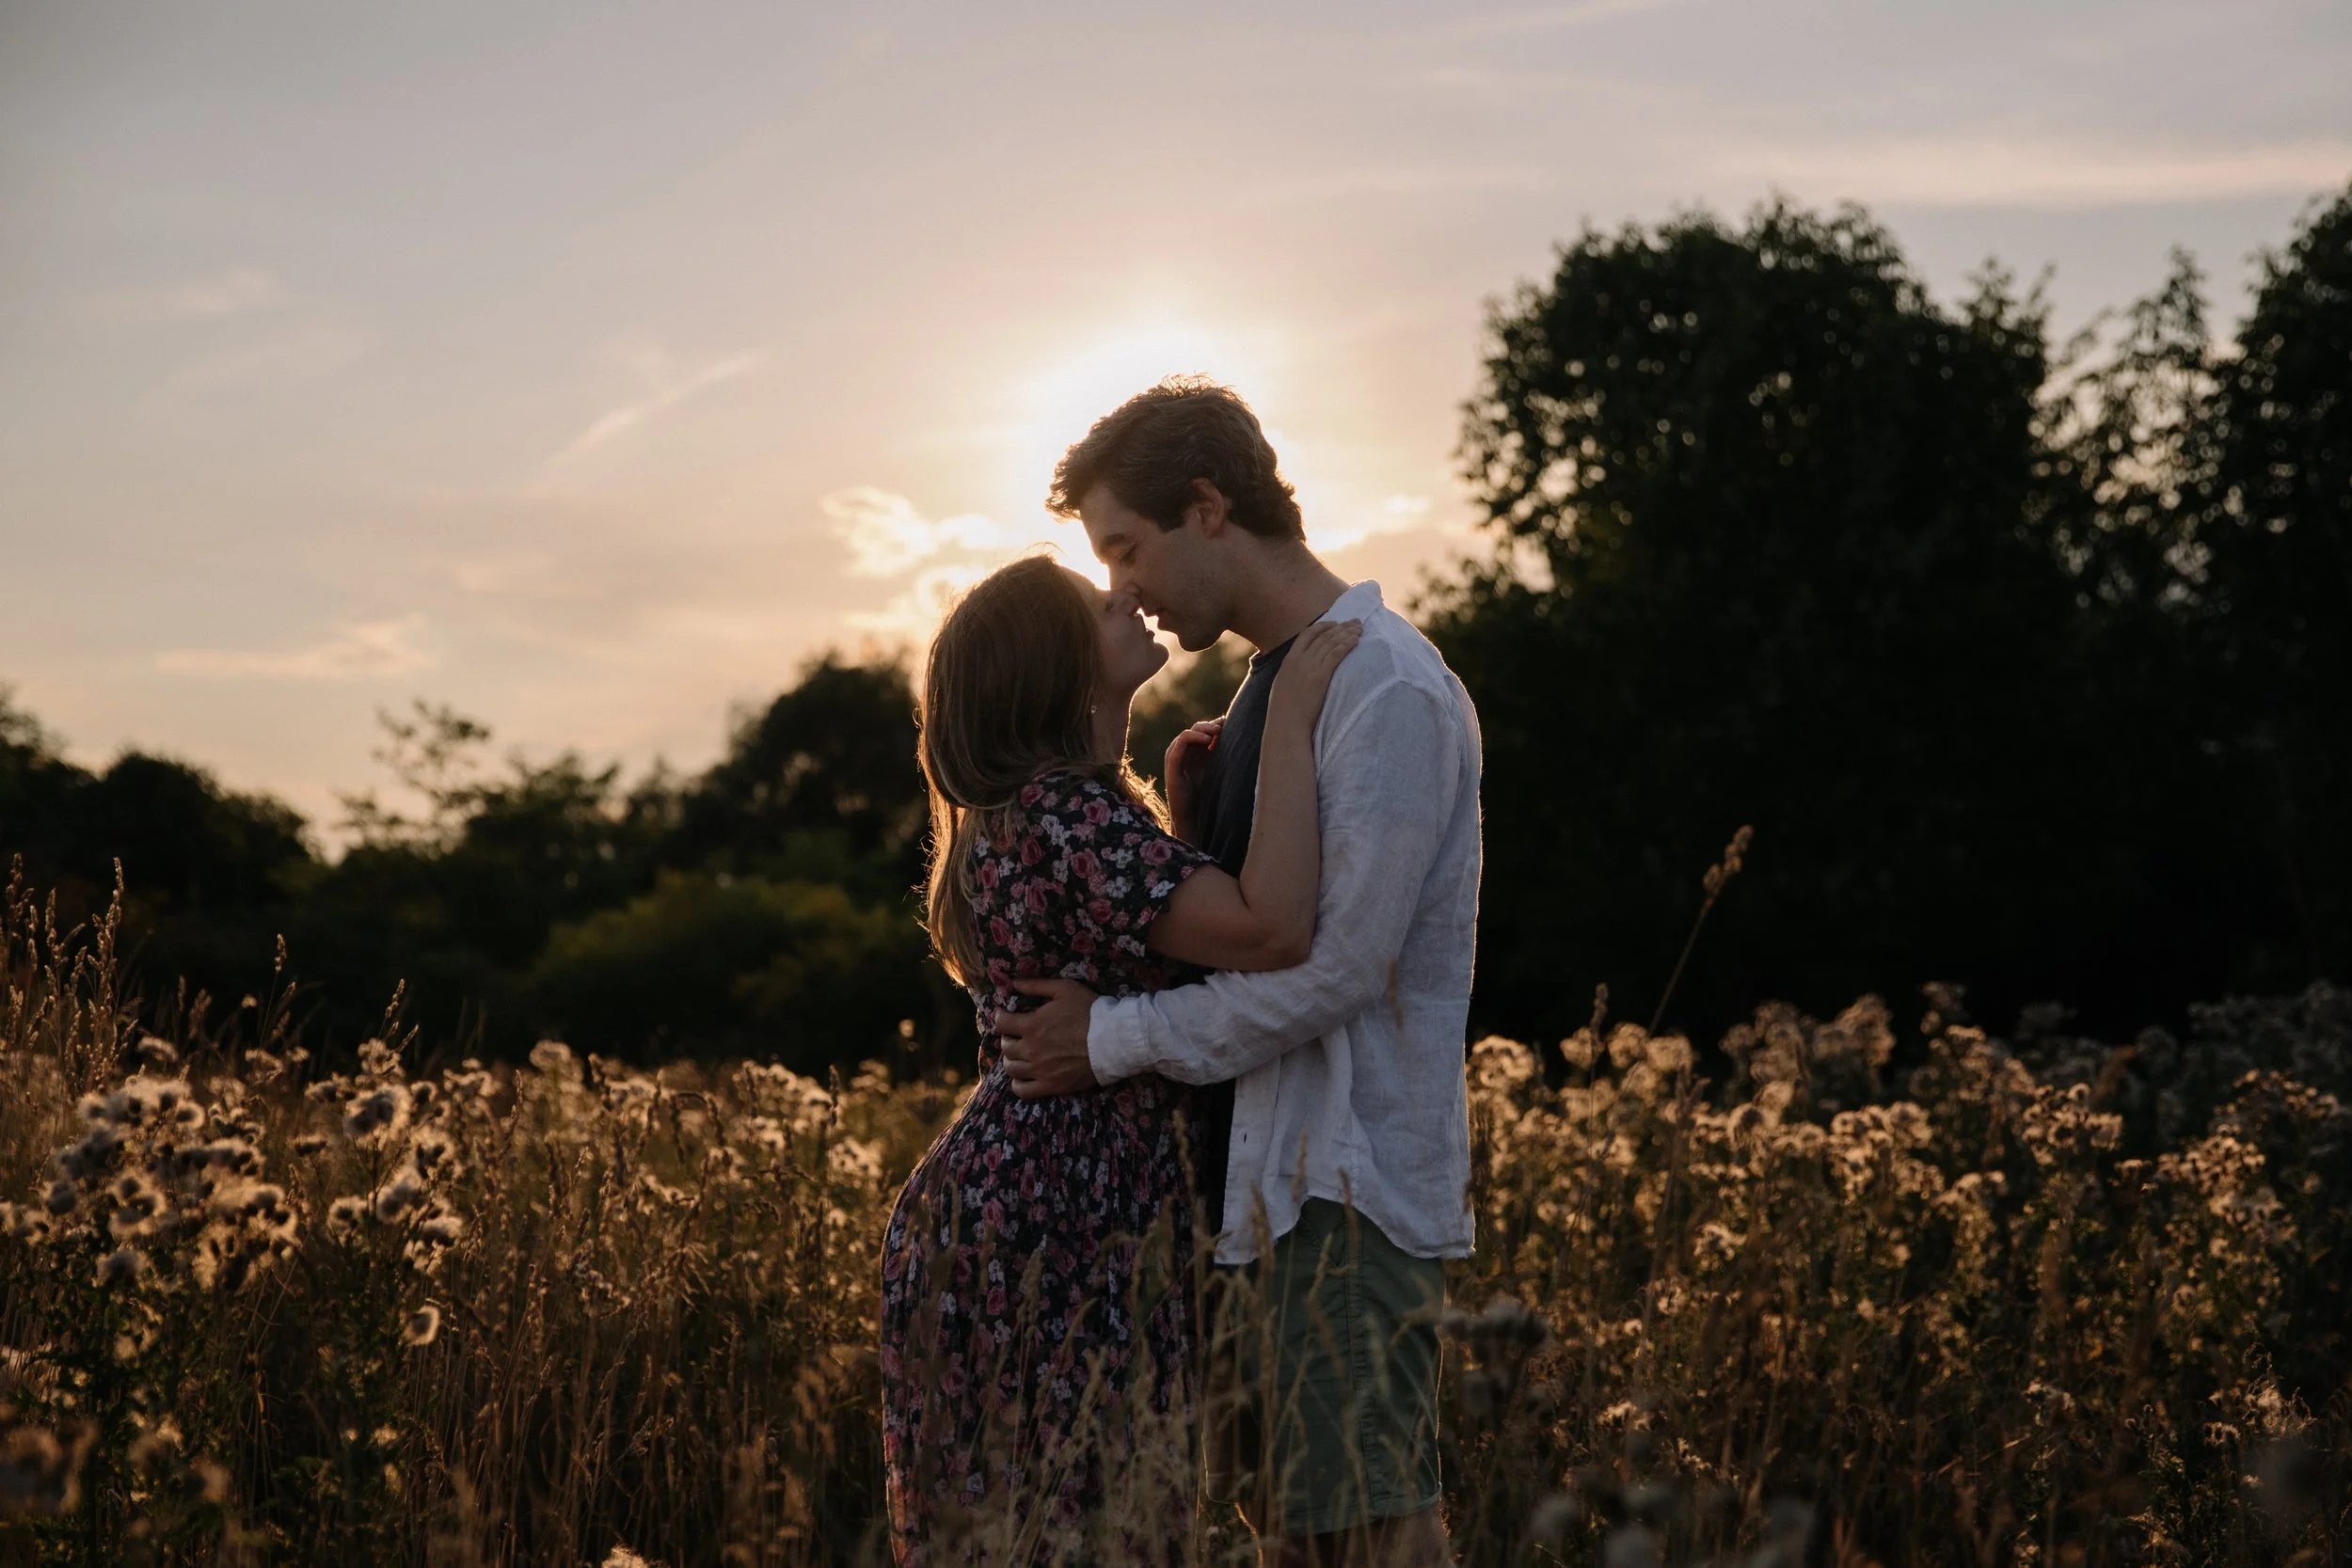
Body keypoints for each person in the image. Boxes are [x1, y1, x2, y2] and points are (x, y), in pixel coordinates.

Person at [996, 378, 1482, 1568]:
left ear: (1207, 505)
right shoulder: (1273, 683)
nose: (1121, 585)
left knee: (1372, 1537)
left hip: (1343, 1186)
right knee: (1295, 1540)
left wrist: (1102, 1038)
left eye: (1126, 545)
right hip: (1262, 1191)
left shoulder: (1385, 688)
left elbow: (1338, 974)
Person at [877, 552, 1362, 1566]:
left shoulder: (1046, 816)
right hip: (1063, 1211)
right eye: (1096, 602)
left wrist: (1180, 829)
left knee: (1026, 1521)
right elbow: (1271, 929)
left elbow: (1146, 960)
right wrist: (1293, 714)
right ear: (1058, 669)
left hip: (1009, 1197)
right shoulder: (1071, 817)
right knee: (1091, 1515)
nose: (1124, 595)